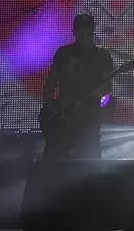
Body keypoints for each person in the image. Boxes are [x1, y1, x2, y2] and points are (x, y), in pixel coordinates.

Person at [40, 13, 114, 161]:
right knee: (53, 160)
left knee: (90, 161)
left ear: (92, 32)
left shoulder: (102, 56)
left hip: (88, 118)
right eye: (80, 32)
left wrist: (97, 100)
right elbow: (50, 83)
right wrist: (49, 110)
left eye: (88, 32)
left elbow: (107, 89)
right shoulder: (63, 53)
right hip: (63, 118)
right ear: (74, 32)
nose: (84, 36)